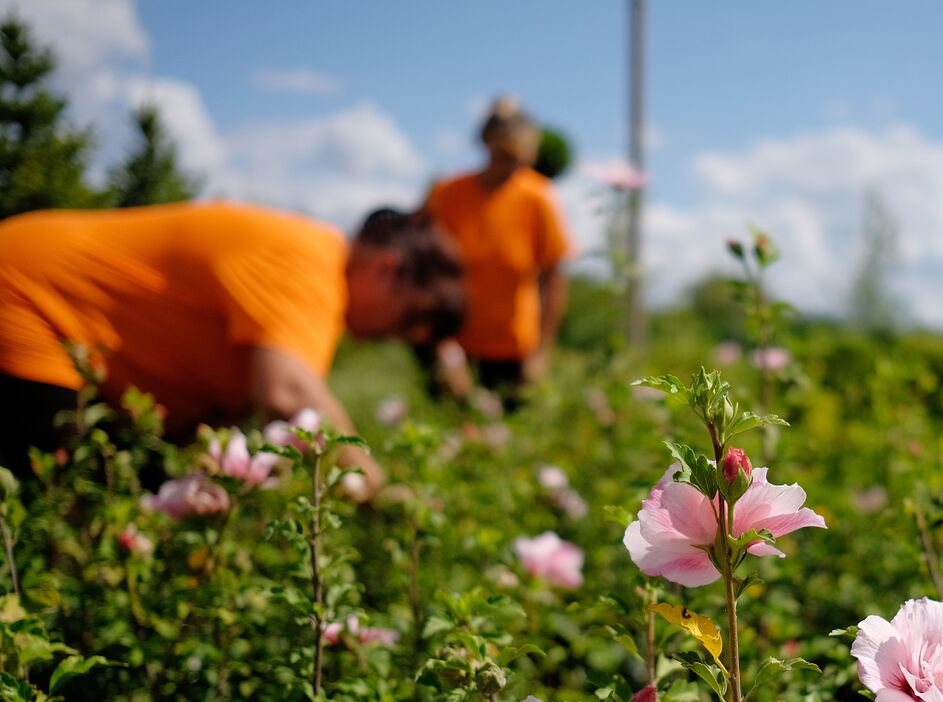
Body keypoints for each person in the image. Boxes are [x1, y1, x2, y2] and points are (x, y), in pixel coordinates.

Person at [0, 201, 462, 494]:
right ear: (387, 268)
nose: (398, 337)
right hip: (26, 295)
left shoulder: (312, 284)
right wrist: (376, 490)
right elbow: (288, 397)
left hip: (41, 308)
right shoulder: (310, 262)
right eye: (408, 319)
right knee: (52, 507)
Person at [421, 96, 572, 398]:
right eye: (502, 155)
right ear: (486, 143)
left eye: (517, 157)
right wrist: (442, 345)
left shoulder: (537, 196)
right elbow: (427, 272)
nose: (509, 166)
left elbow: (553, 278)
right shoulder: (449, 193)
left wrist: (541, 354)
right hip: (455, 346)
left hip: (514, 352)